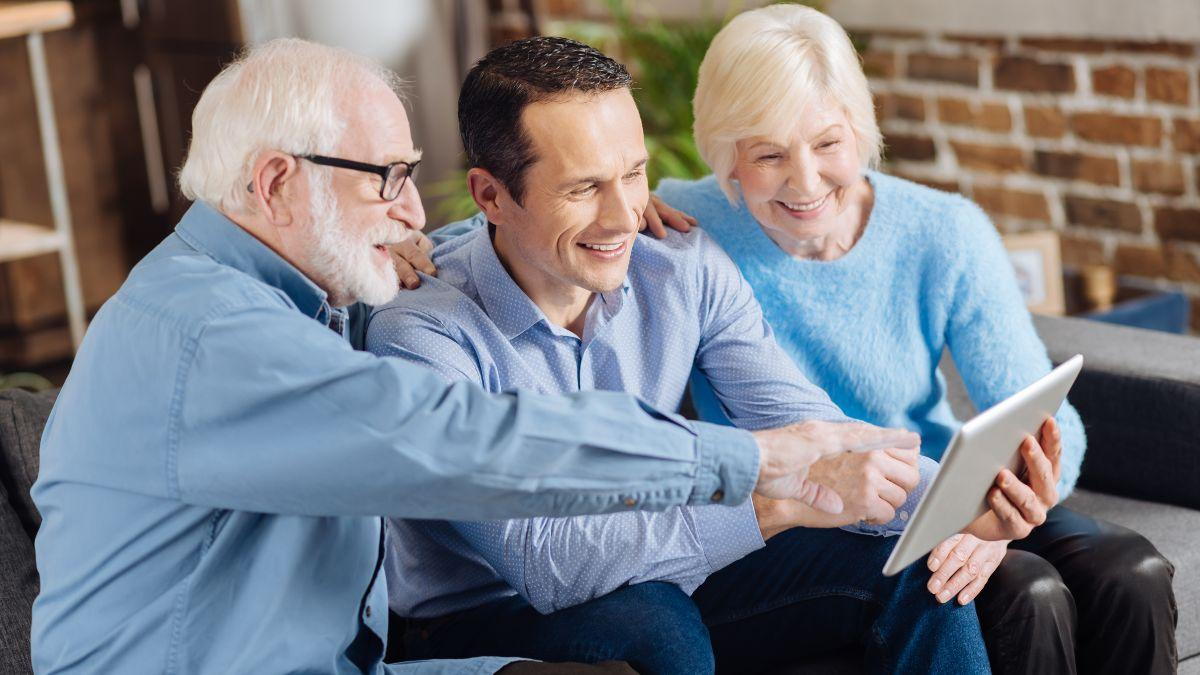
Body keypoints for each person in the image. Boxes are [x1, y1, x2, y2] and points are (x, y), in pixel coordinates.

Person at [29, 38, 911, 675]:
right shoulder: (211, 335)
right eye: (386, 178)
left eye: (411, 177)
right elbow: (466, 442)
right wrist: (752, 463)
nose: (412, 211)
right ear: (273, 184)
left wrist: (557, 220)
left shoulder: (299, 301)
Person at [369, 37, 1063, 675]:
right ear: (491, 194)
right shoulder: (424, 336)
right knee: (659, 629)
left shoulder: (677, 265)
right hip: (493, 606)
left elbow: (813, 426)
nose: (623, 217)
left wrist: (963, 502)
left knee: (911, 571)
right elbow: (551, 562)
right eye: (584, 188)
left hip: (672, 564)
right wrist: (778, 504)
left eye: (633, 175)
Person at [644, 5, 1175, 673]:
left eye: (828, 144)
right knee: (1025, 590)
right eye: (768, 154)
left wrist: (997, 512)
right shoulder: (689, 226)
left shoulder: (944, 231)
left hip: (938, 485)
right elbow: (567, 218)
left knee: (1134, 570)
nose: (806, 181)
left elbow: (1043, 413)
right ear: (725, 158)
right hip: (808, 518)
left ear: (862, 133)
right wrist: (619, 206)